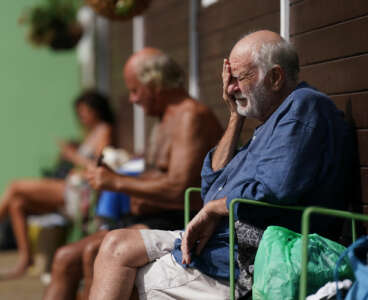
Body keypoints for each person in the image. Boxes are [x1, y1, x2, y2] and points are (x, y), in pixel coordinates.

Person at [88, 30, 356, 300]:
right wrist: (234, 117)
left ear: (275, 77)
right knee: (114, 245)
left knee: (127, 276)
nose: (230, 88)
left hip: (245, 256)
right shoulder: (268, 123)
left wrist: (215, 209)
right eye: (230, 80)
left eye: (239, 78)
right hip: (217, 243)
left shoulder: (302, 107)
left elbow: (275, 189)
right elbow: (212, 183)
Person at [42, 48, 223, 300]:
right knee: (63, 258)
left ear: (155, 84)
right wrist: (118, 177)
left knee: (93, 251)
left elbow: (178, 188)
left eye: (135, 90)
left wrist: (116, 182)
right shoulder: (165, 118)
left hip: (179, 221)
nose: (132, 99)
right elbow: (158, 175)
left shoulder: (190, 116)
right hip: (149, 218)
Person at [0, 90, 114, 279]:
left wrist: (72, 156)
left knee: (15, 186)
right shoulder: (92, 132)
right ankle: (25, 260)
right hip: (72, 187)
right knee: (17, 203)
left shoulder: (105, 130)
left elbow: (100, 165)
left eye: (85, 111)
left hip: (79, 192)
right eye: (79, 112)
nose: (82, 116)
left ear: (97, 110)